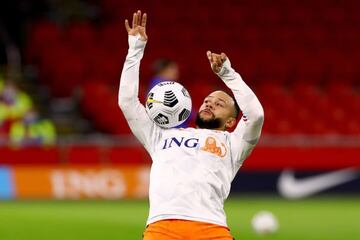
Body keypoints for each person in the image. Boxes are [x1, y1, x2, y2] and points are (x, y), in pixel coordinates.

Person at [118, 10, 264, 240]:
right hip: (161, 229)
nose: (209, 104)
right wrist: (135, 49)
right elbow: (127, 102)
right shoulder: (161, 136)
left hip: (211, 229)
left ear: (231, 121)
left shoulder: (235, 143)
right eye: (207, 101)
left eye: (219, 103)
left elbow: (255, 115)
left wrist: (228, 74)